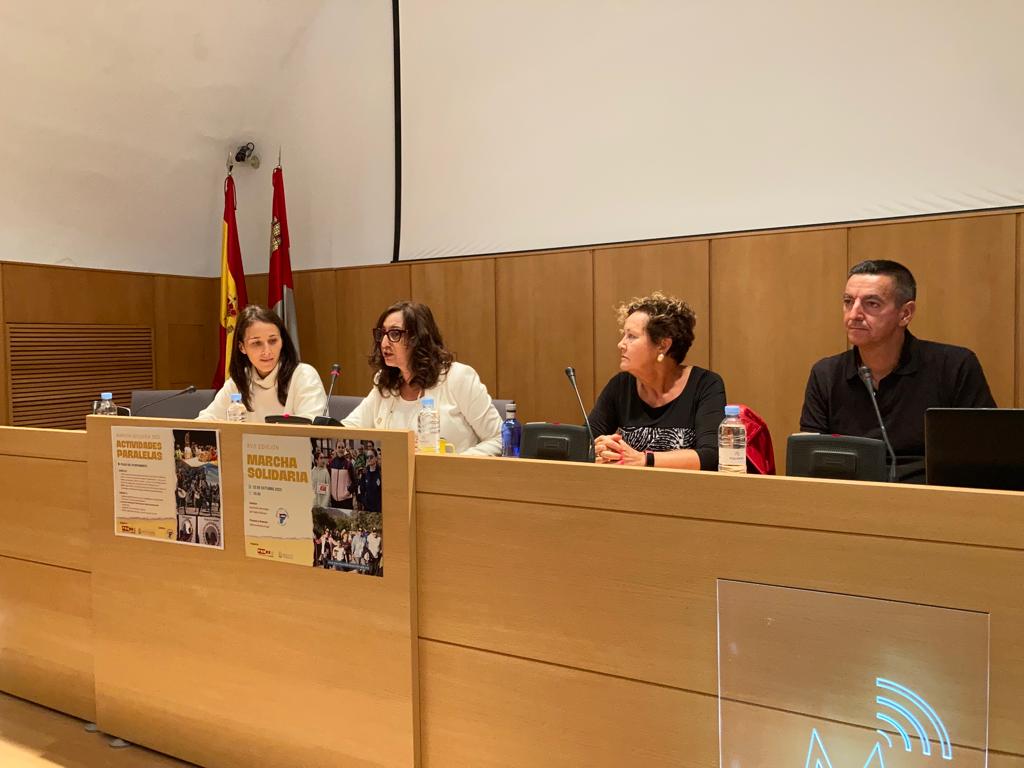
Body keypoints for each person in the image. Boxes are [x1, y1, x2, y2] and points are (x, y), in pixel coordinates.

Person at [800, 259, 996, 483]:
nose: (853, 314)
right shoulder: (826, 374)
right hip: (851, 501)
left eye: (871, 304)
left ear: (905, 314)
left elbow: (985, 456)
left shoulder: (954, 366)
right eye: (848, 301)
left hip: (934, 501)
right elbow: (808, 458)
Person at [342, 301, 501, 455]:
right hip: (396, 480)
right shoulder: (384, 382)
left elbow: (498, 438)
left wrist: (454, 464)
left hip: (450, 479)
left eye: (394, 333)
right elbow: (348, 429)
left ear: (418, 338)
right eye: (382, 334)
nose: (384, 343)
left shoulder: (457, 377)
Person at [589, 292, 726, 469]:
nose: (621, 344)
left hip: (688, 493)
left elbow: (712, 456)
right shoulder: (620, 386)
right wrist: (599, 448)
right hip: (629, 491)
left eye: (631, 336)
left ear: (663, 345)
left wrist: (645, 460)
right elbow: (583, 442)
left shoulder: (705, 384)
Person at [197, 305, 327, 423]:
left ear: (282, 341)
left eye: (273, 341)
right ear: (242, 347)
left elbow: (313, 428)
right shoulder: (239, 381)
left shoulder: (303, 375)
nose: (267, 351)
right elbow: (205, 420)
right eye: (257, 343)